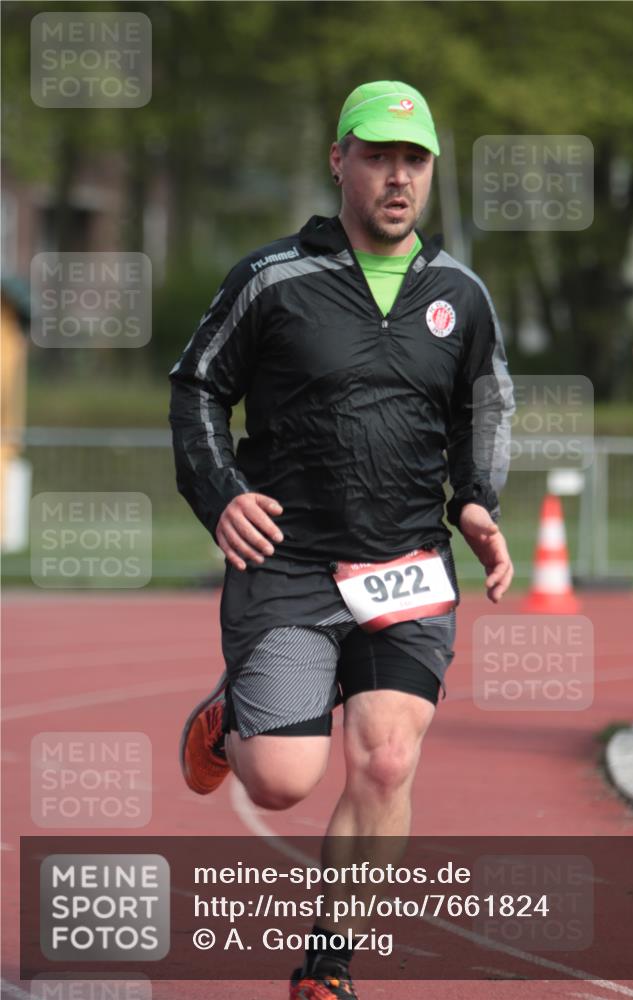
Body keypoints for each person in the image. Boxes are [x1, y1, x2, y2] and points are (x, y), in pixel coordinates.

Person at [169, 80, 515, 1000]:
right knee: (281, 781)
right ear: (339, 162)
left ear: (431, 171)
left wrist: (476, 501)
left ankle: (329, 960)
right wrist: (221, 495)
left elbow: (485, 404)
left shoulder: (460, 294)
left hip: (404, 565)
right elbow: (198, 386)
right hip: (287, 563)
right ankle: (236, 711)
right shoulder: (272, 278)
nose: (396, 178)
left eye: (413, 160)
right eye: (376, 156)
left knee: (387, 757)